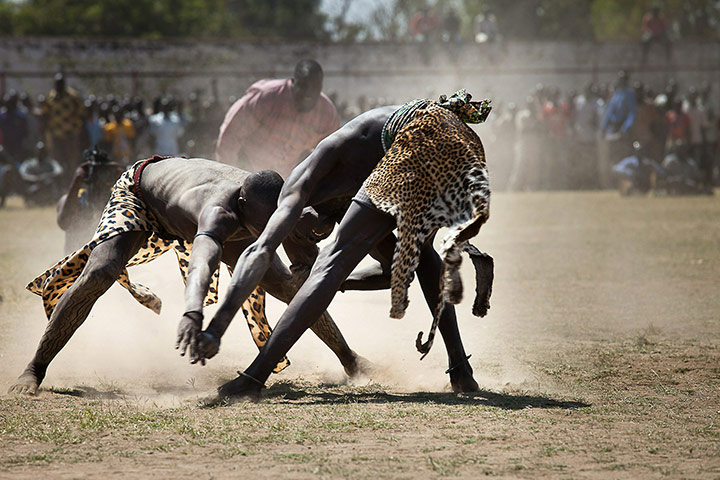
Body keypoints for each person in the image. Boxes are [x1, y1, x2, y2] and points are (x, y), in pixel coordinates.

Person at [180, 91, 496, 401]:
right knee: (422, 256)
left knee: (331, 262)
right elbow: (402, 268)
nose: (308, 239)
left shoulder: (301, 183)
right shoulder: (358, 192)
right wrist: (338, 283)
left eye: (295, 231)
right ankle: (460, 369)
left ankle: (255, 376)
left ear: (288, 211)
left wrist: (217, 326)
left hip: (426, 139)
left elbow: (261, 250)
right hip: (465, 152)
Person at [8, 156, 366, 396]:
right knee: (101, 271)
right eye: (264, 227)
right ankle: (35, 368)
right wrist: (193, 312)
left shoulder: (286, 204)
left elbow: (323, 225)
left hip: (204, 209)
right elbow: (202, 263)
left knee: (287, 286)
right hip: (140, 194)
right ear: (241, 209)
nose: (269, 233)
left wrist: (312, 240)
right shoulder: (217, 213)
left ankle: (350, 360)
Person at [215, 59, 339, 178]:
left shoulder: (327, 114)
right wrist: (231, 176)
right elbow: (231, 135)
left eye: (315, 87)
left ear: (321, 88)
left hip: (286, 177)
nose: (308, 93)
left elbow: (332, 153)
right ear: (293, 82)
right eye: (303, 85)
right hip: (246, 167)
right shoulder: (266, 97)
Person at [56, 147, 125, 253]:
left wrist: (123, 180)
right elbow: (64, 223)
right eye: (96, 171)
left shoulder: (117, 198)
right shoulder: (75, 198)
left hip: (106, 259)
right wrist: (77, 182)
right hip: (77, 260)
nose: (100, 176)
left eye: (104, 171)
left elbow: (130, 223)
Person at [42, 73, 87, 183]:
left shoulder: (73, 96)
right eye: (57, 84)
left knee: (71, 160)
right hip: (56, 135)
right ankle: (59, 183)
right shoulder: (50, 97)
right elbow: (45, 115)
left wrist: (79, 130)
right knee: (57, 160)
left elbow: (82, 113)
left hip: (71, 134)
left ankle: (71, 182)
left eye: (60, 84)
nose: (58, 86)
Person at [598, 71, 637, 188]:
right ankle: (612, 183)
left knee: (623, 157)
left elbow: (631, 113)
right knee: (612, 157)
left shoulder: (629, 94)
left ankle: (624, 183)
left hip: (622, 129)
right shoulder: (616, 94)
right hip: (612, 129)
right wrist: (603, 128)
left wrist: (625, 129)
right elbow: (609, 113)